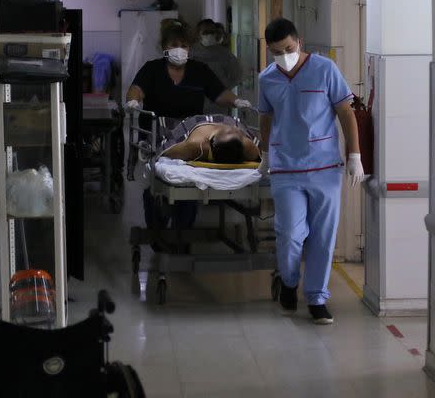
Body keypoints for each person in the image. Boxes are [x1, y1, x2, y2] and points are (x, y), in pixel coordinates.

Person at [258, 18, 363, 324]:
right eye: (277, 52)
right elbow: (266, 118)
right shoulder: (268, 79)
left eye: (289, 48)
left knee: (322, 236)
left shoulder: (325, 70)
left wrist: (354, 154)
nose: (285, 56)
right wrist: (264, 153)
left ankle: (317, 297)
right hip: (286, 168)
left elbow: (345, 111)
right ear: (269, 51)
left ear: (299, 42)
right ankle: (289, 282)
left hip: (325, 167)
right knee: (289, 233)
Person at [125, 21, 251, 237]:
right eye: (174, 44)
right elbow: (136, 89)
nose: (180, 50)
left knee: (189, 188)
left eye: (184, 45)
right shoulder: (152, 69)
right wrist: (133, 102)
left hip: (190, 137)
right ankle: (157, 230)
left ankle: (182, 233)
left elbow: (219, 93)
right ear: (164, 47)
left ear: (189, 48)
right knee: (156, 189)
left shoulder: (199, 71)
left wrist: (238, 101)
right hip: (158, 136)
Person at [191, 19, 244, 115]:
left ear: (216, 33)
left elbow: (237, 75)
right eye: (205, 32)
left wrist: (223, 90)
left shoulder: (224, 54)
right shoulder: (192, 52)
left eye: (211, 32)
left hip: (218, 103)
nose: (209, 35)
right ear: (199, 34)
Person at [158, 115, 261, 163]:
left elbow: (264, 155)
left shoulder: (247, 145)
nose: (232, 128)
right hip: (200, 124)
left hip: (227, 128)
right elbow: (165, 151)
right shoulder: (197, 145)